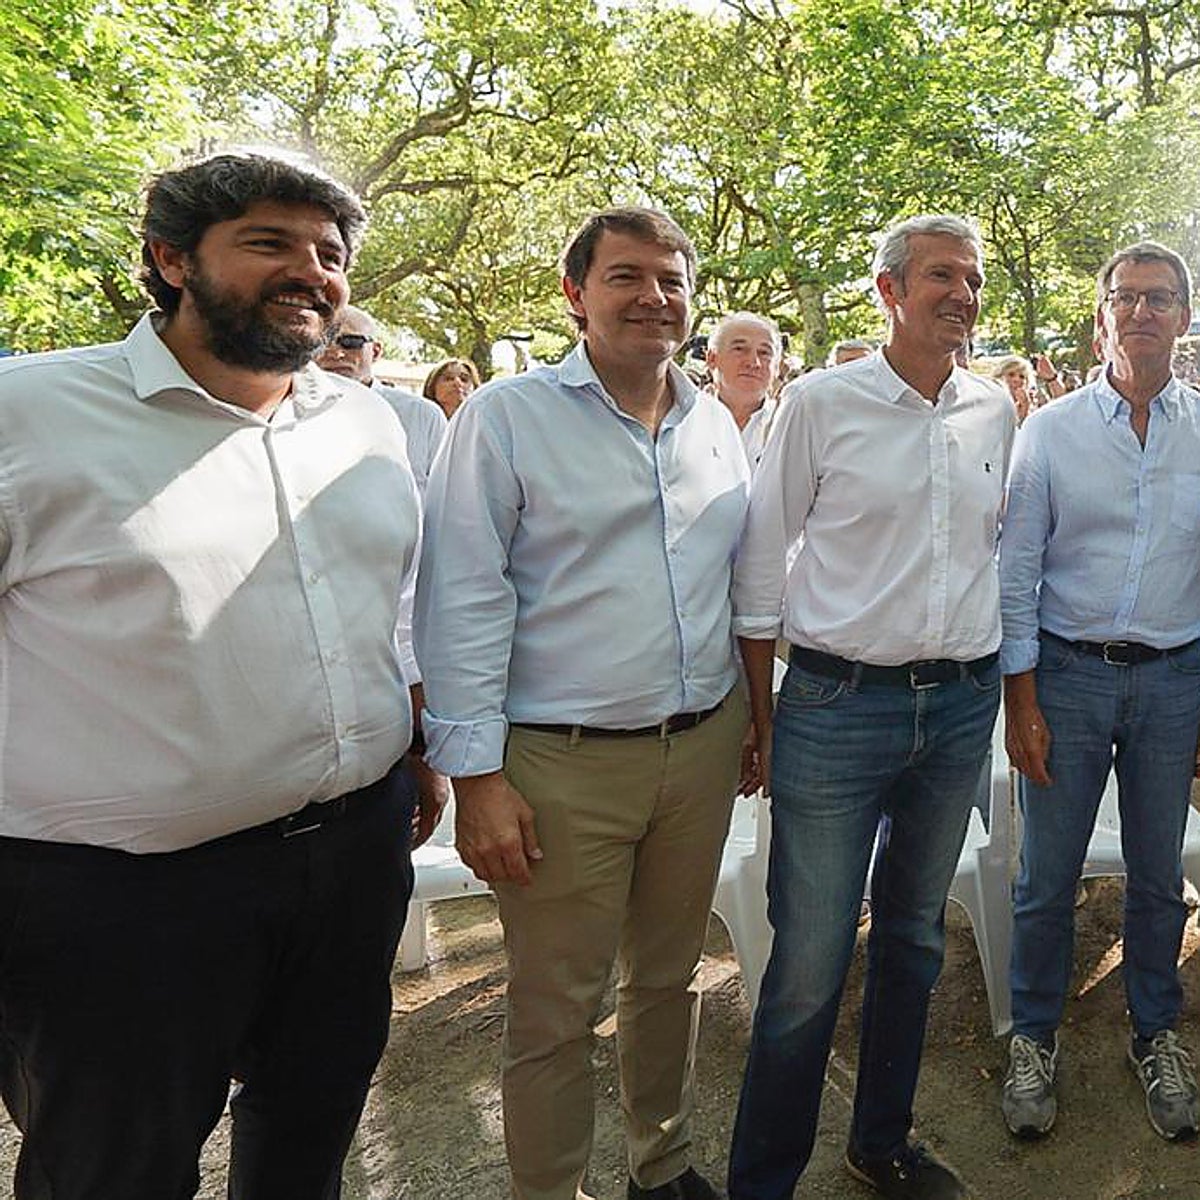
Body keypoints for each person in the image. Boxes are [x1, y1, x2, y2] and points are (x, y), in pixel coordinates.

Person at [0, 152, 436, 1200]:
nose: (312, 272)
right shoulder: (29, 416)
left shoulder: (366, 422)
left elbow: (389, 610)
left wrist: (411, 750)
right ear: (170, 260)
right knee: (114, 1170)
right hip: (118, 901)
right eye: (270, 243)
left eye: (329, 255)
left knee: (308, 1136)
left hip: (351, 859)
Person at [415, 207, 755, 1200]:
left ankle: (665, 1164)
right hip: (561, 764)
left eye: (673, 279)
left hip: (699, 750)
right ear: (575, 295)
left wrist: (753, 724)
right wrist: (475, 777)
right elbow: (463, 597)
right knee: (555, 1010)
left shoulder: (712, 422)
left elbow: (735, 583)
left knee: (669, 978)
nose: (655, 295)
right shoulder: (506, 417)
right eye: (627, 277)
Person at [730, 214, 1014, 1200]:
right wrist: (760, 712)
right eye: (941, 275)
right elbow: (762, 559)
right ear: (889, 291)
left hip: (960, 705)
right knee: (808, 961)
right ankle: (763, 1179)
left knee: (915, 938)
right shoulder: (821, 403)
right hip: (838, 706)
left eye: (972, 279)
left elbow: (992, 552)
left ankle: (880, 1144)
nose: (963, 295)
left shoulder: (993, 410)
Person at [998, 241, 1200, 1143]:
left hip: (1175, 681)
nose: (1142, 312)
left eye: (1161, 297)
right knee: (1046, 878)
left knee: (1160, 879)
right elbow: (1017, 572)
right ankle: (1034, 1037)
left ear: (1184, 318)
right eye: (1125, 297)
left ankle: (1155, 1032)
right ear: (1100, 317)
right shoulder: (1050, 430)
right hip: (1068, 676)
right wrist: (1021, 699)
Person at [318, 303, 447, 493]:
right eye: (324, 341)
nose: (336, 353)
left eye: (351, 342)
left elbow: (446, 495)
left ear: (376, 351)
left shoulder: (421, 415)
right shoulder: (285, 411)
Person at [706, 311, 783, 471]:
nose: (753, 362)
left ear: (776, 367)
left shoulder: (788, 424)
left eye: (764, 353)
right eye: (740, 349)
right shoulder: (683, 420)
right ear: (712, 359)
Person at [992, 354, 1037, 424]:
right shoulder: (992, 403)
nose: (1016, 380)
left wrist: (1025, 407)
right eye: (1011, 374)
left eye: (1022, 376)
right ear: (999, 376)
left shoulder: (1033, 407)